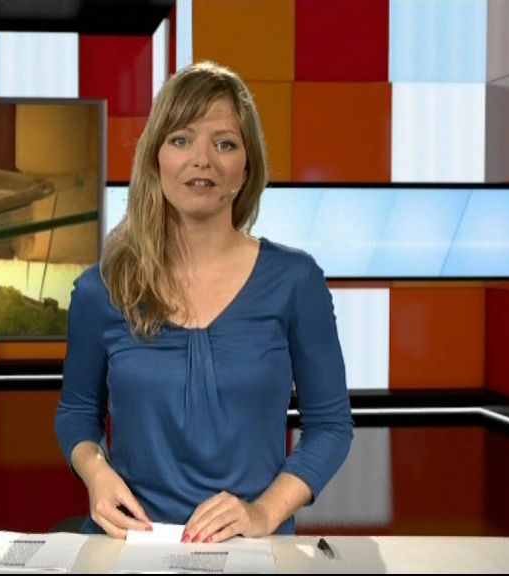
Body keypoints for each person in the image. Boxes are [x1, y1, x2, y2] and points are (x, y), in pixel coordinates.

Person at [54, 61, 353, 543]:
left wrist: (262, 513)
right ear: (155, 159)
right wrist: (97, 474)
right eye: (181, 139)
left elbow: (331, 427)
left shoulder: (297, 282)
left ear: (246, 167)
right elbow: (77, 412)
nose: (202, 160)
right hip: (131, 544)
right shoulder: (101, 289)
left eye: (225, 144)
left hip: (251, 552)